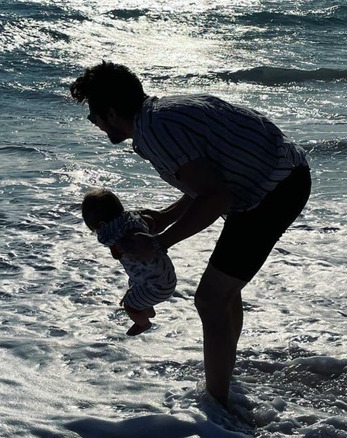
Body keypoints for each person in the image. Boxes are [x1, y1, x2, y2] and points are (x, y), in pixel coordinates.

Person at [70, 61, 311, 407]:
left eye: (93, 113)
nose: (92, 121)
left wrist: (158, 243)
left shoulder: (156, 132)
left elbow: (217, 197)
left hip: (273, 190)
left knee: (210, 299)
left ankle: (217, 406)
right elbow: (208, 181)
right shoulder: (157, 117)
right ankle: (224, 377)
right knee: (223, 293)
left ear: (110, 111)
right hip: (275, 180)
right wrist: (165, 218)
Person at [81, 187, 177, 336]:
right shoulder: (132, 218)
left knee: (129, 305)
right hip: (165, 276)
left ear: (101, 225)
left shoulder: (111, 233)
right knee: (132, 284)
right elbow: (149, 220)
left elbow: (114, 250)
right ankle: (146, 306)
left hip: (157, 286)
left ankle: (143, 323)